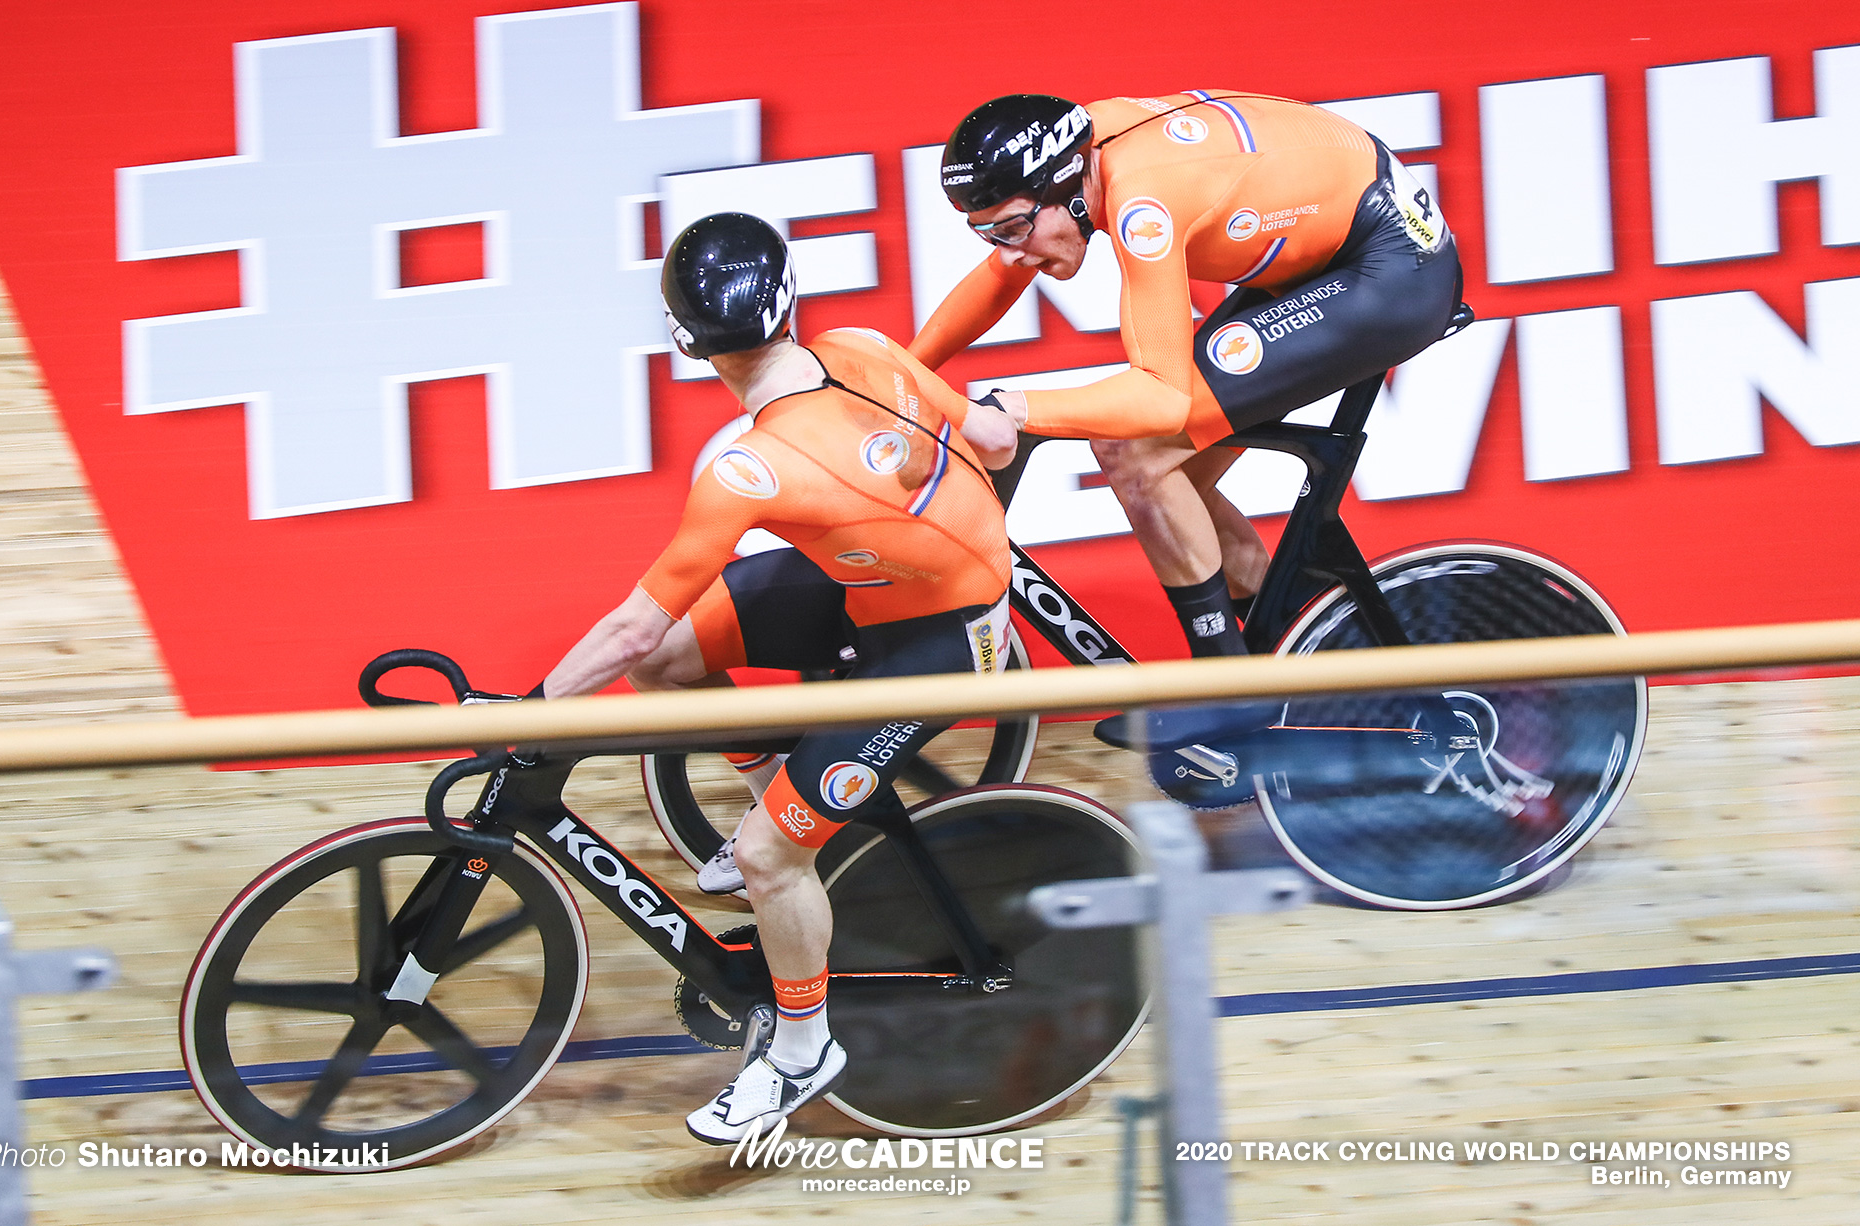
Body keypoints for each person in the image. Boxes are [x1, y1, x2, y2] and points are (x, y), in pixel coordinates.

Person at [537, 211, 1013, 1144]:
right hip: (882, 588)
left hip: (944, 645)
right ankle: (775, 798)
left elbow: (634, 622)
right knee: (679, 665)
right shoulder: (867, 345)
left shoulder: (746, 468)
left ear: (683, 341)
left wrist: (526, 711)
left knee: (764, 856)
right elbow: (992, 444)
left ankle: (803, 1050)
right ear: (791, 299)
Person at [915, 91, 1465, 797]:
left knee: (1137, 454)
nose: (1011, 250)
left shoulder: (1142, 201)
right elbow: (1001, 276)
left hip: (1387, 271)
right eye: (990, 233)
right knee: (1166, 475)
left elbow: (1160, 395)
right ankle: (1301, 655)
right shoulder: (1076, 166)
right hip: (1324, 251)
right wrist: (902, 372)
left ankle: (1230, 700)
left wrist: (1014, 409)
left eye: (1015, 227)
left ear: (1065, 192)